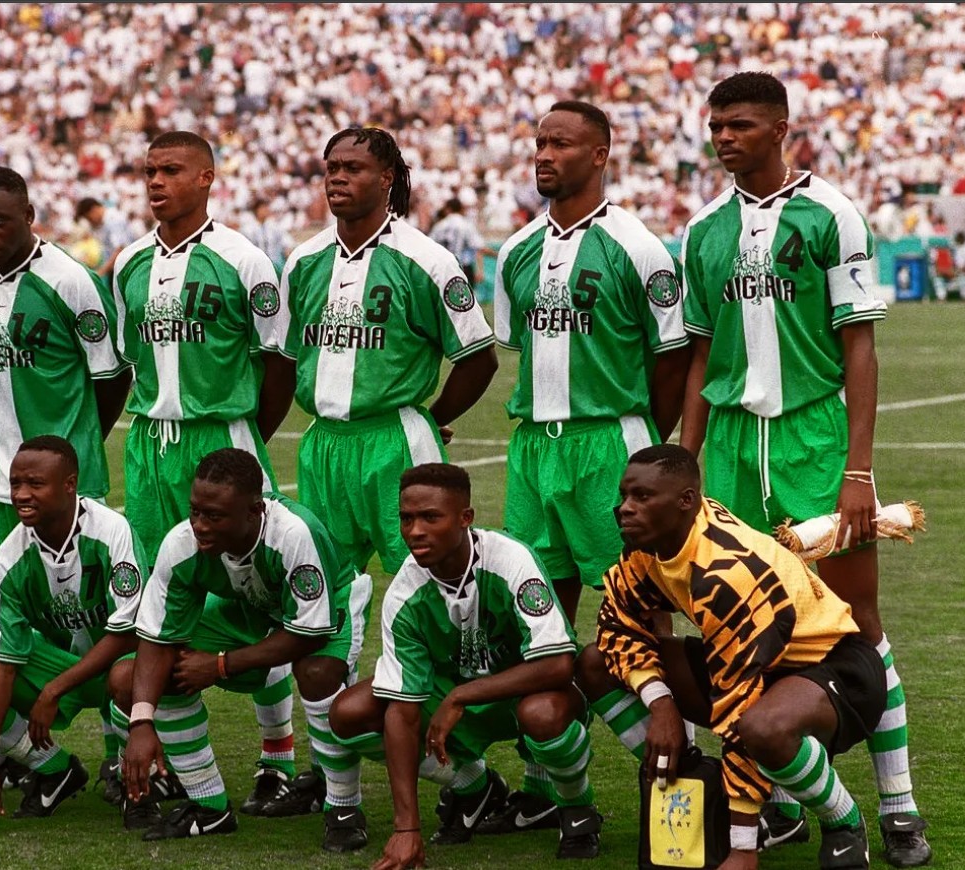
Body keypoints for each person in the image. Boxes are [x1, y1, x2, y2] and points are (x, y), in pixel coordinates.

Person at [678, 72, 930, 867]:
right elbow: (698, 357)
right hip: (729, 449)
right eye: (716, 125)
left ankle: (898, 804)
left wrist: (859, 470)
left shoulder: (832, 214)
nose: (724, 137)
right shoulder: (701, 231)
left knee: (860, 620)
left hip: (815, 441)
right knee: (743, 629)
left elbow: (859, 344)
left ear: (782, 127)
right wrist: (685, 462)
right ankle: (784, 798)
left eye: (742, 125)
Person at [109, 131, 303, 813]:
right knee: (153, 601)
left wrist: (245, 445)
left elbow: (280, 362)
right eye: (148, 171)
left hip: (219, 439)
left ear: (207, 178)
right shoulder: (127, 262)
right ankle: (146, 753)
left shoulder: (244, 260)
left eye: (170, 170)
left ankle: (278, 757)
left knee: (257, 601)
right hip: (149, 445)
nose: (156, 182)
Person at [575, 444, 887, 870]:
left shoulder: (725, 574)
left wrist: (742, 850)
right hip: (760, 664)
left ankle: (843, 821)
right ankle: (690, 780)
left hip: (836, 670)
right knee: (595, 663)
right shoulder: (654, 539)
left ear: (686, 501)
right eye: (625, 495)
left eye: (642, 497)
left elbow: (738, 708)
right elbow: (616, 624)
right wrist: (662, 705)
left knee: (758, 726)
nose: (625, 509)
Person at [329, 463, 601, 870]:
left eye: (430, 517)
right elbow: (402, 712)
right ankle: (473, 785)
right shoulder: (404, 592)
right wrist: (407, 829)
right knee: (351, 713)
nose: (415, 531)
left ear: (465, 518)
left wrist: (462, 695)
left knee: (541, 713)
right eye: (407, 518)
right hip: (452, 699)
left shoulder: (510, 560)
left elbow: (559, 664)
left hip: (527, 691)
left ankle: (576, 807)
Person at [118, 448, 372, 853]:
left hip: (332, 601)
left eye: (214, 516)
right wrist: (141, 720)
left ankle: (343, 808)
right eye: (195, 511)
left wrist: (220, 665)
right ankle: (208, 807)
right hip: (252, 604)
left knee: (317, 672)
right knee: (147, 674)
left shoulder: (292, 534)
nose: (199, 525)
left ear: (255, 510)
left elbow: (308, 633)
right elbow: (156, 638)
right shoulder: (181, 544)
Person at [494, 100, 690, 624]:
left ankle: (663, 708)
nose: (544, 155)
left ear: (600, 154)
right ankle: (561, 707)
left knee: (637, 609)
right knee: (536, 615)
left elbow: (674, 358)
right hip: (533, 447)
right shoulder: (515, 252)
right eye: (540, 144)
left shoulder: (638, 248)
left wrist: (646, 439)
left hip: (610, 443)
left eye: (561, 144)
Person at [281, 126, 498, 579]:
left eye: (353, 168)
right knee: (322, 585)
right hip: (322, 443)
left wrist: (432, 418)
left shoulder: (426, 260)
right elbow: (284, 359)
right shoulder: (303, 261)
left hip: (395, 441)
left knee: (426, 577)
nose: (337, 178)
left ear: (387, 178)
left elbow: (479, 356)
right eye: (332, 169)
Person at [0, 436, 149, 837]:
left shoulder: (112, 532)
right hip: (56, 665)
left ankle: (139, 791)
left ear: (70, 485)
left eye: (35, 484)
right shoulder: (8, 559)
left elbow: (133, 631)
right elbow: (0, 663)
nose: (21, 495)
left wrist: (54, 691)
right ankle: (54, 769)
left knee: (127, 676)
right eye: (15, 484)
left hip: (117, 663)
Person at [0, 166, 129, 592]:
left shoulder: (71, 281)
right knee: (0, 603)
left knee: (77, 608)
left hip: (65, 483)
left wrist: (77, 448)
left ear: (29, 215)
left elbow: (113, 377)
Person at [429, 197, 493, 288]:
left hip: (442, 268)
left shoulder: (439, 226)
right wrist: (496, 254)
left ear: (448, 209)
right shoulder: (466, 224)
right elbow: (479, 247)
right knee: (466, 300)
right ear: (460, 209)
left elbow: (430, 246)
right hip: (462, 268)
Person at [73, 196, 136, 280]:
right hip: (116, 267)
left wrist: (101, 272)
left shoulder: (114, 219)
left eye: (89, 218)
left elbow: (120, 249)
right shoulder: (99, 224)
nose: (89, 221)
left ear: (94, 210)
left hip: (130, 265)